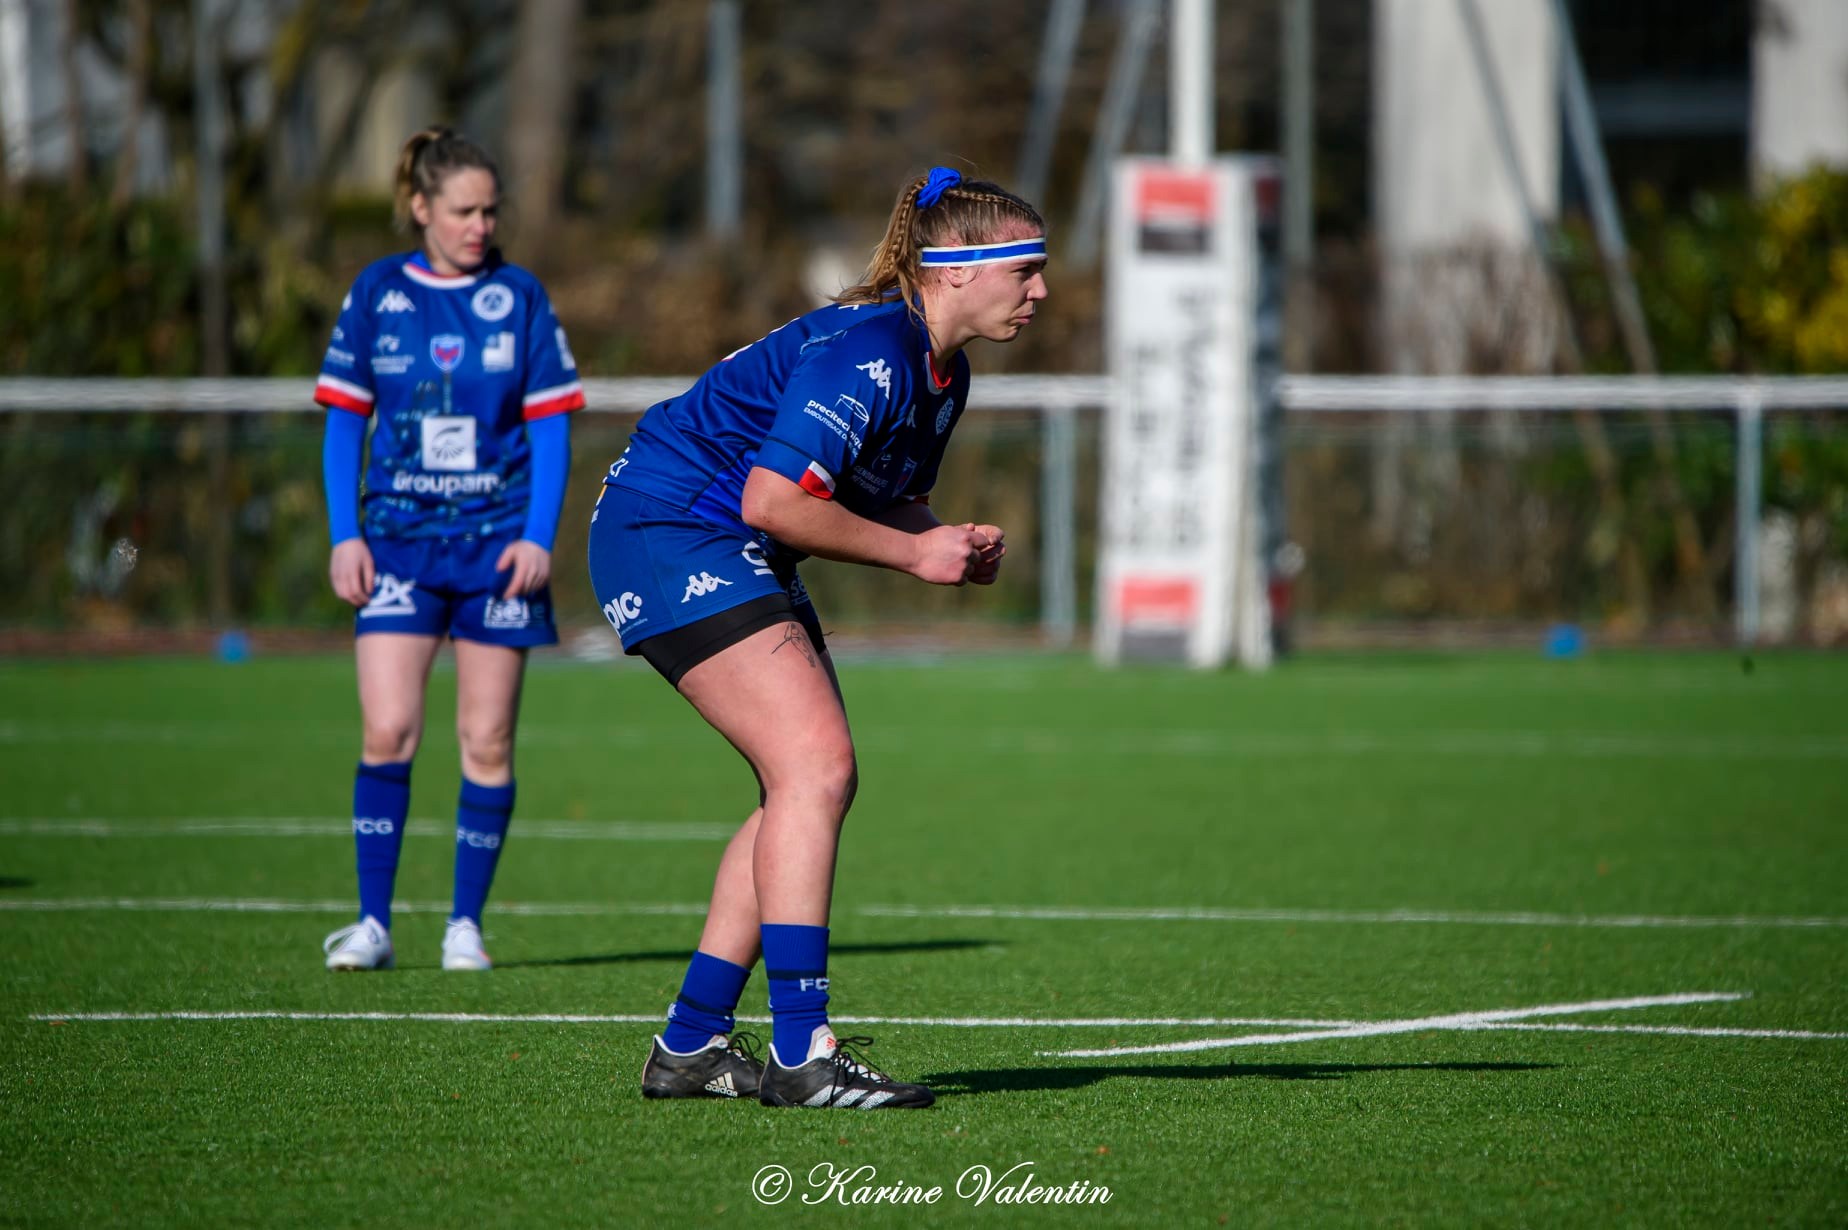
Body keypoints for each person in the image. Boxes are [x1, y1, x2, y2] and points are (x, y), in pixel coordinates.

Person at [588, 166, 1047, 1108]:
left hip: (722, 535)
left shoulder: (944, 373)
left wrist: (941, 539)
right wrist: (918, 560)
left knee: (803, 784)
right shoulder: (872, 347)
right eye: (1027, 269)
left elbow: (880, 500)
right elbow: (775, 501)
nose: (1041, 291)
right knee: (815, 768)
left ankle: (691, 1045)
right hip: (670, 527)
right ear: (957, 267)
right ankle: (802, 1054)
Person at [314, 127, 584, 972]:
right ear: (421, 207)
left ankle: (464, 924)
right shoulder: (377, 292)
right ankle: (372, 923)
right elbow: (342, 425)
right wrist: (345, 534)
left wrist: (539, 537)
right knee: (389, 727)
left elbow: (550, 430)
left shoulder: (521, 296)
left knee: (487, 739)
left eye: (490, 210)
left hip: (497, 551)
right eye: (463, 210)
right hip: (395, 547)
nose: (480, 225)